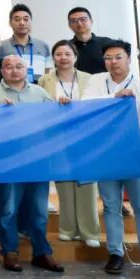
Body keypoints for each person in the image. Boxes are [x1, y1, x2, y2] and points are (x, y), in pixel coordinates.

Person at [85, 40, 140, 278]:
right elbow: (86, 106)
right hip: (106, 152)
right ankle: (115, 253)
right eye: (108, 58)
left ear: (129, 59)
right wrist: (114, 97)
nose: (113, 62)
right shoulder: (96, 81)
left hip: (134, 154)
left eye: (118, 57)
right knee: (111, 206)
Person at [0, 54, 64, 273]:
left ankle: (42, 252)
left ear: (26, 69)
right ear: (2, 71)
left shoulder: (39, 92)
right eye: (8, 67)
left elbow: (54, 121)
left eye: (19, 66)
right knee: (8, 208)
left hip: (37, 159)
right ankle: (10, 252)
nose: (14, 70)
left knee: (38, 209)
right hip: (9, 161)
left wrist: (63, 106)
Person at [38, 40, 100, 248]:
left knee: (86, 184)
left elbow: (95, 106)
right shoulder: (44, 80)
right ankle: (67, 229)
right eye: (58, 54)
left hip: (85, 137)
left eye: (67, 54)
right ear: (53, 58)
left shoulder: (89, 79)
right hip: (57, 138)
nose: (63, 58)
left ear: (75, 57)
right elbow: (41, 110)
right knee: (63, 184)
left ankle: (89, 231)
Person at [0, 3, 51, 83]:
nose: (22, 23)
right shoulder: (1, 46)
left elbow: (47, 73)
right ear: (10, 23)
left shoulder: (43, 46)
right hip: (12, 89)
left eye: (26, 19)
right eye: (17, 20)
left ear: (31, 21)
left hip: (39, 89)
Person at [67, 6, 113, 75]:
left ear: (91, 21)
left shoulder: (107, 43)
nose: (79, 23)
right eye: (74, 21)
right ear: (69, 25)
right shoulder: (66, 47)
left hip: (104, 81)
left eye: (83, 19)